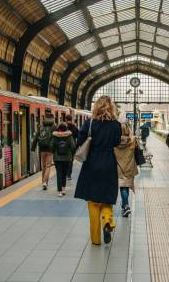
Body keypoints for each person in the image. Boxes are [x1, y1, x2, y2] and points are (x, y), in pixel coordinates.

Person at [74, 96, 121, 245]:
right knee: (107, 198)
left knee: (93, 202)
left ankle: (95, 240)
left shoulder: (89, 123)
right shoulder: (115, 125)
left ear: (96, 107)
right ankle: (107, 221)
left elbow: (80, 141)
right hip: (109, 163)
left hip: (92, 163)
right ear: (111, 107)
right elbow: (117, 142)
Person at [115, 123, 139, 217]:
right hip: (129, 167)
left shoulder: (115, 142)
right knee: (126, 187)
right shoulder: (133, 141)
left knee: (123, 187)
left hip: (119, 168)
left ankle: (125, 205)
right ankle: (125, 205)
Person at [32, 108, 56, 190]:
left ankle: (43, 182)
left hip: (42, 149)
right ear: (52, 118)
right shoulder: (54, 126)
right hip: (50, 149)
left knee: (44, 166)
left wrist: (33, 148)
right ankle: (45, 182)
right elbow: (56, 138)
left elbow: (36, 137)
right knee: (48, 166)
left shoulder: (41, 126)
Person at [51, 122, 76, 197]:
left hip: (57, 158)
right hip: (67, 158)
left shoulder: (55, 136)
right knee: (64, 173)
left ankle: (59, 191)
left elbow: (51, 146)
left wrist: (54, 152)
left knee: (59, 173)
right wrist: (72, 154)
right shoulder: (69, 136)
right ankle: (64, 189)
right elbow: (73, 146)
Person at [64, 114, 79, 181]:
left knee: (65, 160)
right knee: (71, 160)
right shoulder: (74, 127)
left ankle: (65, 173)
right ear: (71, 119)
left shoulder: (64, 127)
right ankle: (69, 175)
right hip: (73, 146)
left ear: (66, 120)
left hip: (65, 146)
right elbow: (78, 136)